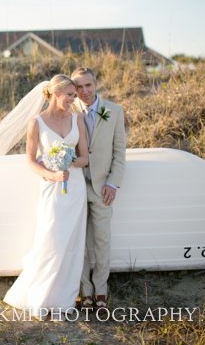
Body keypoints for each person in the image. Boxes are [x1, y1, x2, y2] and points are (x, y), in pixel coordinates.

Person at [0, 74, 89, 320]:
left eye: (74, 94)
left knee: (71, 244)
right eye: (70, 94)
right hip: (51, 187)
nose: (74, 98)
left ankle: (62, 301)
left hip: (75, 187)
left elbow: (84, 158)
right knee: (50, 241)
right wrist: (51, 174)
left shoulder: (77, 120)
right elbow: (30, 161)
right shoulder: (36, 122)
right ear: (56, 94)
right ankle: (37, 297)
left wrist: (68, 160)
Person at [71, 67, 126, 312]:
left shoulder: (114, 111)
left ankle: (101, 289)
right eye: (78, 87)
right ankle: (85, 290)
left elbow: (119, 153)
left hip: (103, 187)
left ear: (96, 84)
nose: (83, 91)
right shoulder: (68, 112)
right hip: (76, 187)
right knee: (80, 242)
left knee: (102, 239)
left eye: (87, 85)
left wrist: (113, 183)